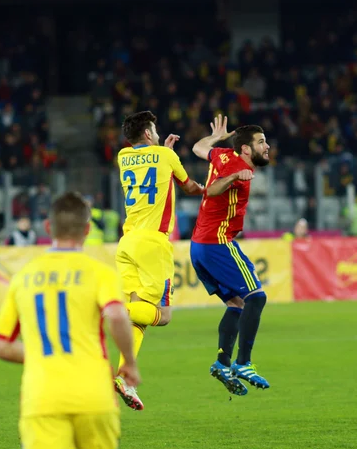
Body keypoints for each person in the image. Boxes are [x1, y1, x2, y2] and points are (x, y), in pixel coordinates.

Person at [0, 192, 140, 449]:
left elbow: (0, 346)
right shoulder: (98, 272)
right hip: (93, 391)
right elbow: (117, 316)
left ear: (48, 227)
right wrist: (129, 362)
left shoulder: (25, 276)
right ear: (88, 230)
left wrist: (44, 355)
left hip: (42, 395)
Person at [115, 110, 204, 410]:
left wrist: (161, 151)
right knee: (163, 315)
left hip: (127, 242)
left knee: (140, 320)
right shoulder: (165, 157)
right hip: (153, 243)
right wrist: (208, 192)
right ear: (150, 134)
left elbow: (146, 164)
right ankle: (102, 310)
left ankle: (123, 377)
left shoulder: (122, 157)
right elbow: (188, 186)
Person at [191, 114, 270, 396]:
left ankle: (222, 363)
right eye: (261, 142)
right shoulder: (236, 167)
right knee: (256, 297)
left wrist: (217, 137)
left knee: (237, 304)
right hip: (216, 242)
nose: (267, 146)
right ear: (246, 149)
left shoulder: (224, 154)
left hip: (199, 246)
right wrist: (235, 176)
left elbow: (198, 149)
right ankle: (243, 362)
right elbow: (212, 190)